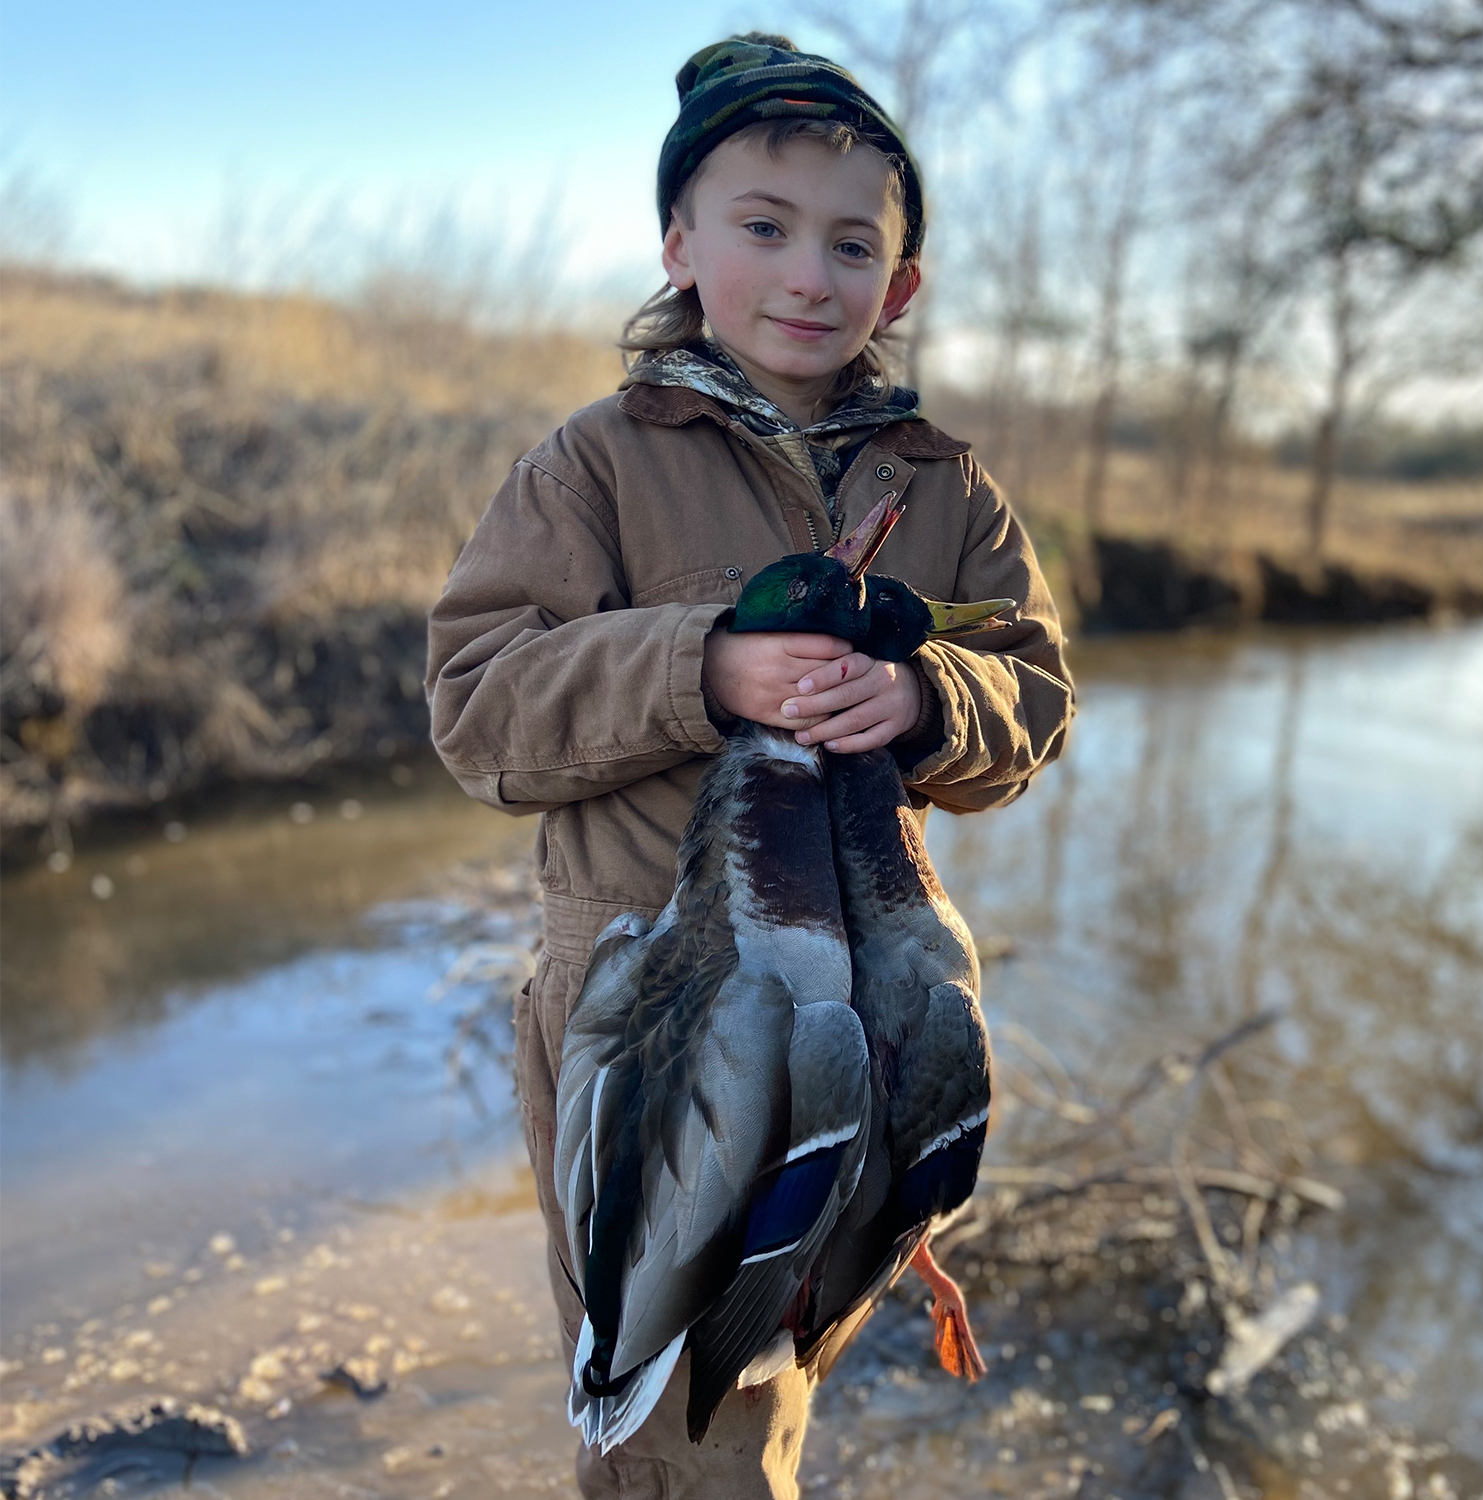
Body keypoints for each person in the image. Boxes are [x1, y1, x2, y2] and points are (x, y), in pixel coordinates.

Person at [423, 32, 1074, 1500]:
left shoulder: (943, 484)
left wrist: (925, 699)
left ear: (898, 285)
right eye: (764, 228)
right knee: (676, 1421)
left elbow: (1034, 695)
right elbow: (476, 710)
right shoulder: (592, 465)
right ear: (680, 244)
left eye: (853, 243)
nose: (808, 275)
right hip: (649, 1031)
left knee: (778, 1371)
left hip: (860, 1010)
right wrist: (700, 670)